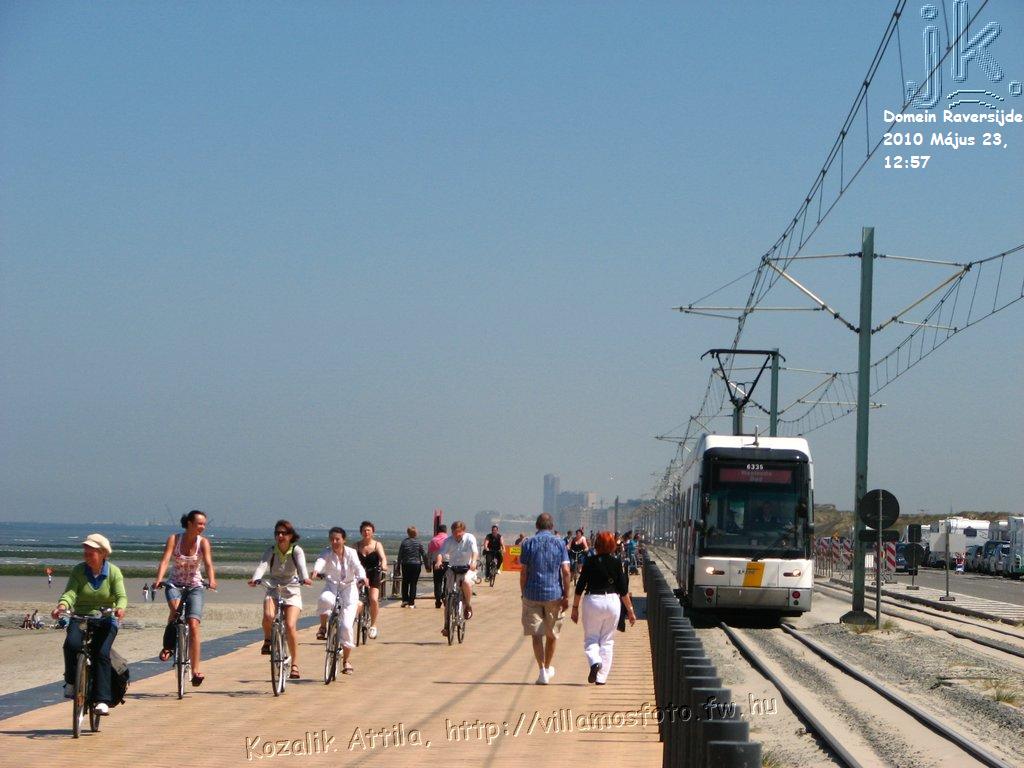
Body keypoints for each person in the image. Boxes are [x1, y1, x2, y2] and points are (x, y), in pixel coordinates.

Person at [51, 533, 127, 716]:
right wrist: (62, 606)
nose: (86, 554)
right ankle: (71, 681)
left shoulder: (113, 572)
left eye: (90, 551)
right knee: (71, 645)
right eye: (85, 551)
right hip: (81, 616)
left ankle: (102, 700)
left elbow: (121, 596)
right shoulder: (78, 570)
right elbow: (70, 593)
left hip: (105, 619)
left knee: (101, 653)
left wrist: (120, 608)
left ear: (102, 553)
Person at [153, 510, 217, 685]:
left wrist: (212, 580)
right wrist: (159, 580)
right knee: (175, 612)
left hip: (195, 586)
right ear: (189, 523)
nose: (202, 527)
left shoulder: (203, 542)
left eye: (204, 524)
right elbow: (165, 560)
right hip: (175, 584)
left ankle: (195, 670)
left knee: (194, 625)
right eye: (199, 524)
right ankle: (169, 646)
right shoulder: (174, 539)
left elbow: (208, 563)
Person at [570, 531, 636, 685]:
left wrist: (575, 607)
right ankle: (601, 678)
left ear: (596, 545)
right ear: (613, 545)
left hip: (593, 600)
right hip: (612, 601)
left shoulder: (590, 561)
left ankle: (595, 662)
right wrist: (630, 611)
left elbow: (580, 586)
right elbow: (623, 590)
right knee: (607, 640)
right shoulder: (616, 562)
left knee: (591, 638)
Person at [249, 520, 311, 679]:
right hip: (274, 587)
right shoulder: (271, 551)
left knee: (290, 625)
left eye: (284, 533)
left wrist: (305, 578)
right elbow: (262, 566)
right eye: (277, 533)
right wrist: (255, 579)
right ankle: (268, 639)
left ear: (290, 535)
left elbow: (302, 567)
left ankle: (295, 664)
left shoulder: (296, 550)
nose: (280, 536)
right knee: (268, 616)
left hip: (292, 589)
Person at [519, 513, 570, 685]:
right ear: (551, 526)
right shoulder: (560, 543)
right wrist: (566, 595)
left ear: (536, 526)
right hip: (554, 594)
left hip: (532, 594)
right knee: (552, 634)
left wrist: (523, 592)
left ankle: (542, 671)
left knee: (536, 635)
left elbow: (523, 572)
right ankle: (547, 667)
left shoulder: (528, 543)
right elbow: (566, 571)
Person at [310, 527, 366, 674]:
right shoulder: (327, 552)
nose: (334, 542)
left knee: (346, 627)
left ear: (343, 540)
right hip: (332, 586)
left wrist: (363, 577)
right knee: (324, 599)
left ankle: (346, 661)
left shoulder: (351, 552)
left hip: (349, 589)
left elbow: (358, 566)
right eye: (332, 539)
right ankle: (323, 627)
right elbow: (321, 561)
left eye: (337, 539)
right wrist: (316, 570)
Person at [434, 521, 478, 636]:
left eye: (459, 532)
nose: (457, 535)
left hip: (467, 568)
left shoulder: (470, 538)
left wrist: (473, 562)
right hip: (453, 568)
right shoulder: (448, 541)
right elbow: (441, 553)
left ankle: (467, 605)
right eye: (454, 532)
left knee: (466, 582)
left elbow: (475, 552)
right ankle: (446, 627)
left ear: (463, 531)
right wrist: (439, 561)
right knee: (449, 597)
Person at [356, 521, 388, 638]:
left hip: (373, 573)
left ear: (373, 532)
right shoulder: (356, 546)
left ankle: (373, 625)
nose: (366, 532)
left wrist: (384, 565)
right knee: (353, 598)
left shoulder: (377, 545)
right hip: (359, 575)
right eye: (364, 530)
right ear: (361, 532)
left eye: (368, 530)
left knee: (373, 599)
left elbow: (383, 558)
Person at [397, 526, 428, 607]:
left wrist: (398, 566)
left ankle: (405, 600)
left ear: (408, 533)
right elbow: (424, 554)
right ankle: (411, 602)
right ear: (415, 533)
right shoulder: (419, 542)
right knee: (413, 583)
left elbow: (400, 555)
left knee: (405, 582)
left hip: (406, 564)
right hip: (416, 565)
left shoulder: (404, 542)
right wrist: (427, 565)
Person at [427, 524, 449, 609]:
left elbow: (429, 553)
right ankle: (445, 596)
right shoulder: (449, 539)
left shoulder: (433, 540)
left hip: (436, 562)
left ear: (437, 531)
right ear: (446, 531)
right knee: (447, 581)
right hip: (447, 561)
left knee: (437, 582)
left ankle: (438, 601)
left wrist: (428, 564)